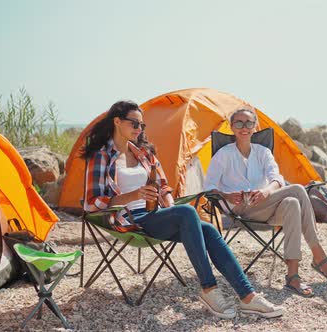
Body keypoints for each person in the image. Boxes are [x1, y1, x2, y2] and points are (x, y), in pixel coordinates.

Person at [82, 100, 284, 319]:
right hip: (129, 220)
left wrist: (168, 203)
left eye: (142, 126)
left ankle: (248, 297)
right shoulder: (102, 156)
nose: (139, 130)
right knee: (188, 213)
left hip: (155, 215)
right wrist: (133, 195)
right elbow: (91, 203)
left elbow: (164, 186)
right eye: (134, 124)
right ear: (117, 122)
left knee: (207, 229)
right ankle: (208, 289)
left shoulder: (144, 154)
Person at [204, 107, 327, 297]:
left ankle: (293, 276)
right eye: (239, 123)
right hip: (239, 209)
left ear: (255, 127)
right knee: (297, 189)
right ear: (232, 127)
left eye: (249, 123)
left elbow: (277, 179)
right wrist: (226, 196)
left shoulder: (263, 152)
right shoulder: (223, 154)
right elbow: (208, 188)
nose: (244, 127)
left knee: (292, 203)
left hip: (266, 205)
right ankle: (319, 257)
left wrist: (266, 191)